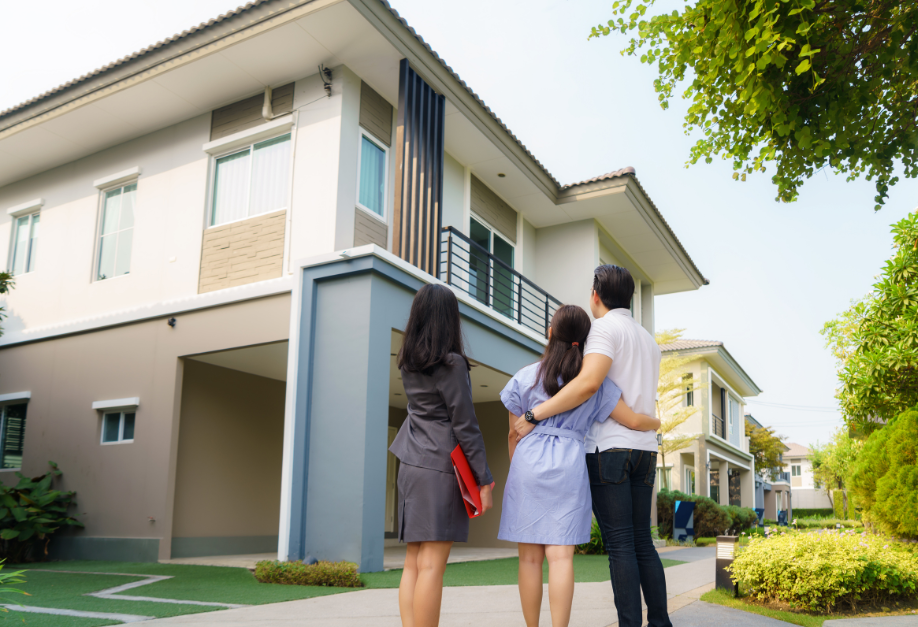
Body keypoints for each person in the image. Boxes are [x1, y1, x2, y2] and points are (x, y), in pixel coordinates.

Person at [513, 265, 671, 627]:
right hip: (645, 449)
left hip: (611, 449)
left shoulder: (602, 329)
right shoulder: (647, 338)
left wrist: (535, 415)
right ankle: (661, 622)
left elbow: (586, 385)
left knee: (621, 546)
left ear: (595, 295)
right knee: (641, 542)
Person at [389, 284, 494, 627]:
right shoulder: (451, 363)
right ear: (450, 319)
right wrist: (484, 480)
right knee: (432, 564)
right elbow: (465, 425)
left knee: (413, 562)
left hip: (410, 461)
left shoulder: (408, 362)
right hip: (438, 466)